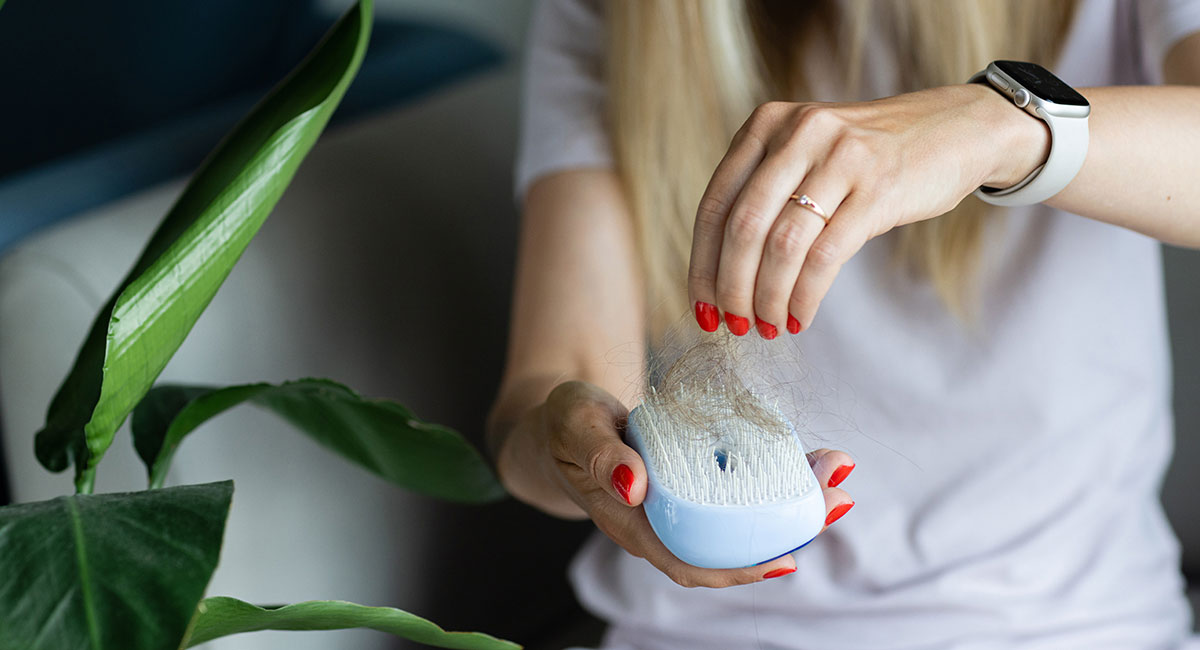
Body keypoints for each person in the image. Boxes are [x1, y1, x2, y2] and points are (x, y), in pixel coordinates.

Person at [487, 0, 1200, 647]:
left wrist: (1001, 125)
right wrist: (572, 452)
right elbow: (545, 397)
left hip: (1074, 625)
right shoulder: (614, 17)